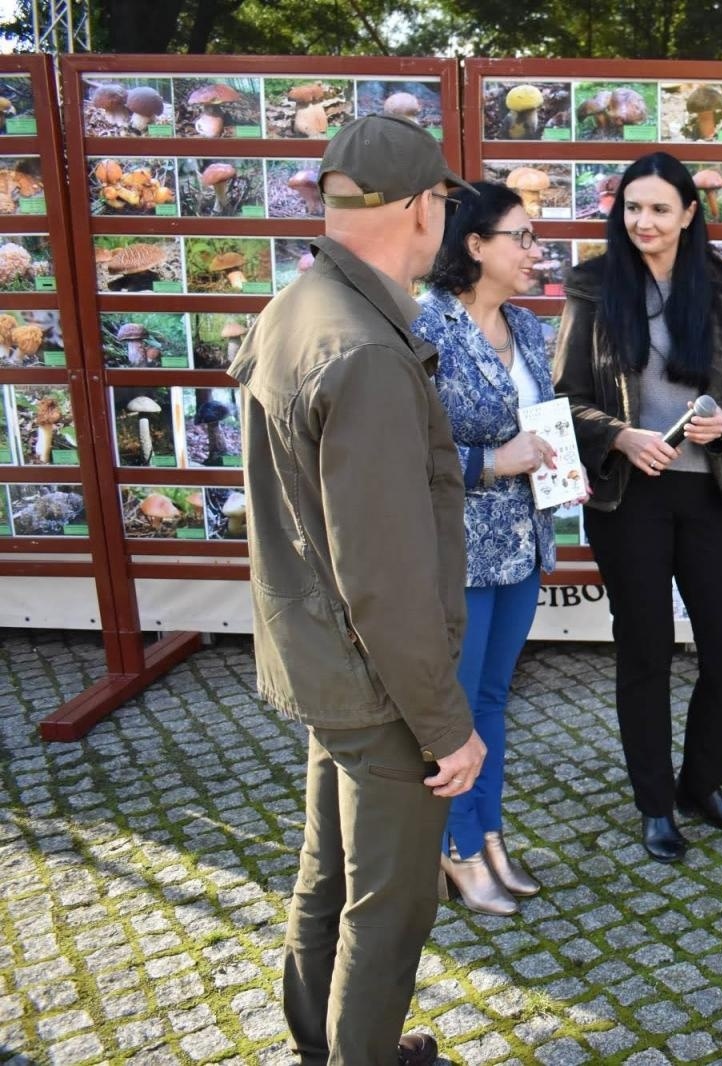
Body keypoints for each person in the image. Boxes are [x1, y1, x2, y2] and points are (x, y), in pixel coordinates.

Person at [229, 115, 484, 1066]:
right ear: (422, 207)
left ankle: (320, 1043)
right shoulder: (366, 350)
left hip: (325, 660)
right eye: (445, 204)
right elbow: (385, 578)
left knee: (327, 875)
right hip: (377, 681)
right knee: (390, 905)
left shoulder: (302, 304)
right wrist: (445, 724)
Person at [552, 151, 722, 864]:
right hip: (629, 497)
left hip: (711, 491)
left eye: (658, 208)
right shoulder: (591, 286)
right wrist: (618, 434)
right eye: (633, 208)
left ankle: (702, 782)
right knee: (644, 653)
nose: (643, 221)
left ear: (688, 214)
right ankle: (655, 803)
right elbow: (566, 400)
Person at [412, 181, 565, 916]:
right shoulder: (425, 329)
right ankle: (457, 847)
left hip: (525, 543)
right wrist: (490, 464)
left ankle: (491, 836)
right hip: (458, 551)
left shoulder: (529, 327)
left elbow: (543, 421)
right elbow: (406, 450)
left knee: (496, 700)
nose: (535, 252)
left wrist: (564, 472)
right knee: (459, 708)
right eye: (523, 237)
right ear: (475, 245)